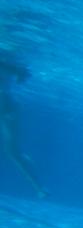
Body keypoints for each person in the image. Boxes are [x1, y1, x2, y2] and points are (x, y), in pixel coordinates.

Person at [0, 57, 47, 198]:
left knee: (13, 151)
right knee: (13, 151)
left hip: (6, 103)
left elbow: (22, 71)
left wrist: (17, 71)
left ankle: (39, 187)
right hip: (7, 103)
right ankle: (39, 187)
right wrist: (17, 71)